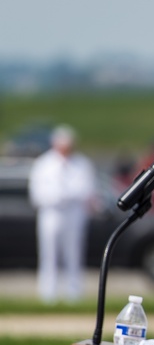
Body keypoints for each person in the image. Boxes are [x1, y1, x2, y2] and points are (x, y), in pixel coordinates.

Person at [27, 125, 95, 303]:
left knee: (73, 254)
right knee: (49, 254)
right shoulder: (43, 164)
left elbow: (87, 190)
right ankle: (47, 294)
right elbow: (36, 193)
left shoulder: (82, 163)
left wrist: (68, 195)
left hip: (73, 213)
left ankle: (74, 294)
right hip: (51, 213)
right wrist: (55, 197)